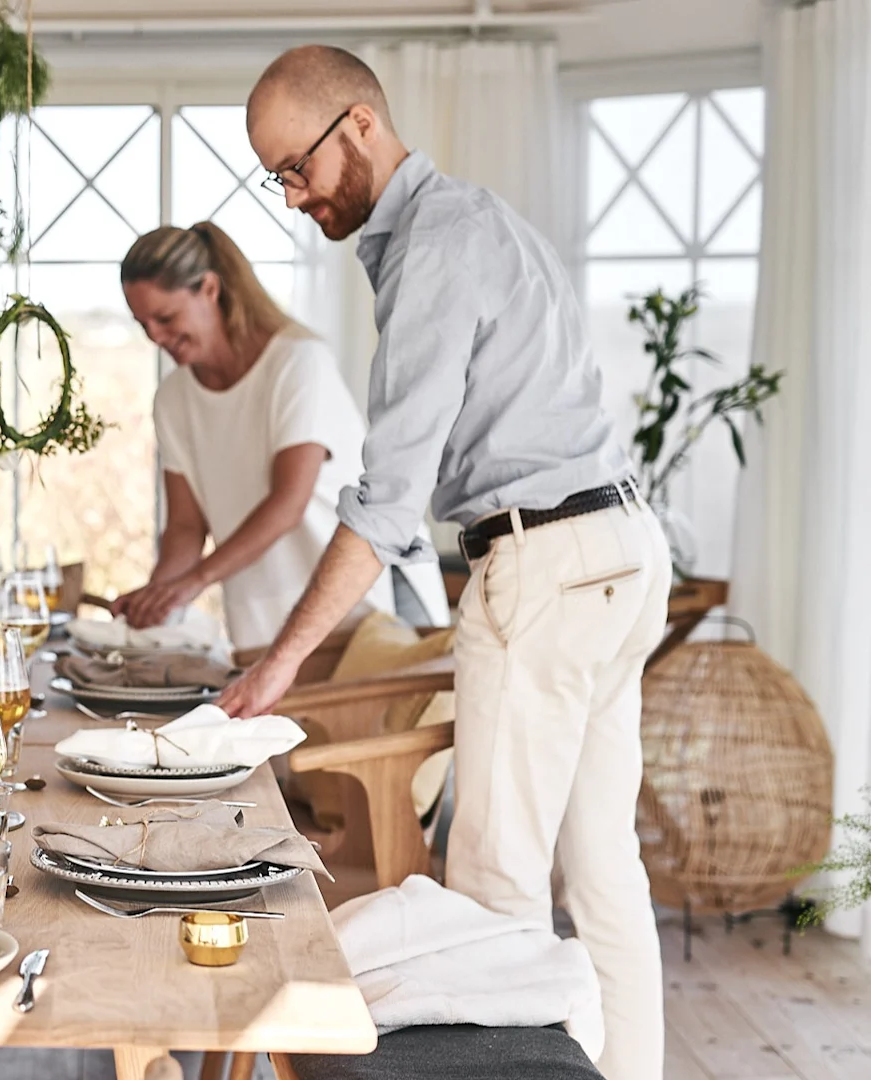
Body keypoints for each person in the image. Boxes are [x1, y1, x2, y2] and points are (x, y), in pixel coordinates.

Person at [220, 46, 670, 1080]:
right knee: (605, 872)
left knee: (493, 901)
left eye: (297, 166)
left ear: (361, 127)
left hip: (544, 563)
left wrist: (282, 666)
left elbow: (384, 504)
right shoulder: (479, 221)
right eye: (274, 176)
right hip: (620, 547)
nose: (291, 196)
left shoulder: (433, 250)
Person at [111, 222, 443, 650]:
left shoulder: (298, 363)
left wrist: (193, 583)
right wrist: (157, 600)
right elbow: (185, 527)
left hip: (368, 603)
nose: (155, 337)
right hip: (268, 618)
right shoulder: (173, 399)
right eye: (143, 324)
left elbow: (288, 503)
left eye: (166, 317)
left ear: (210, 289)